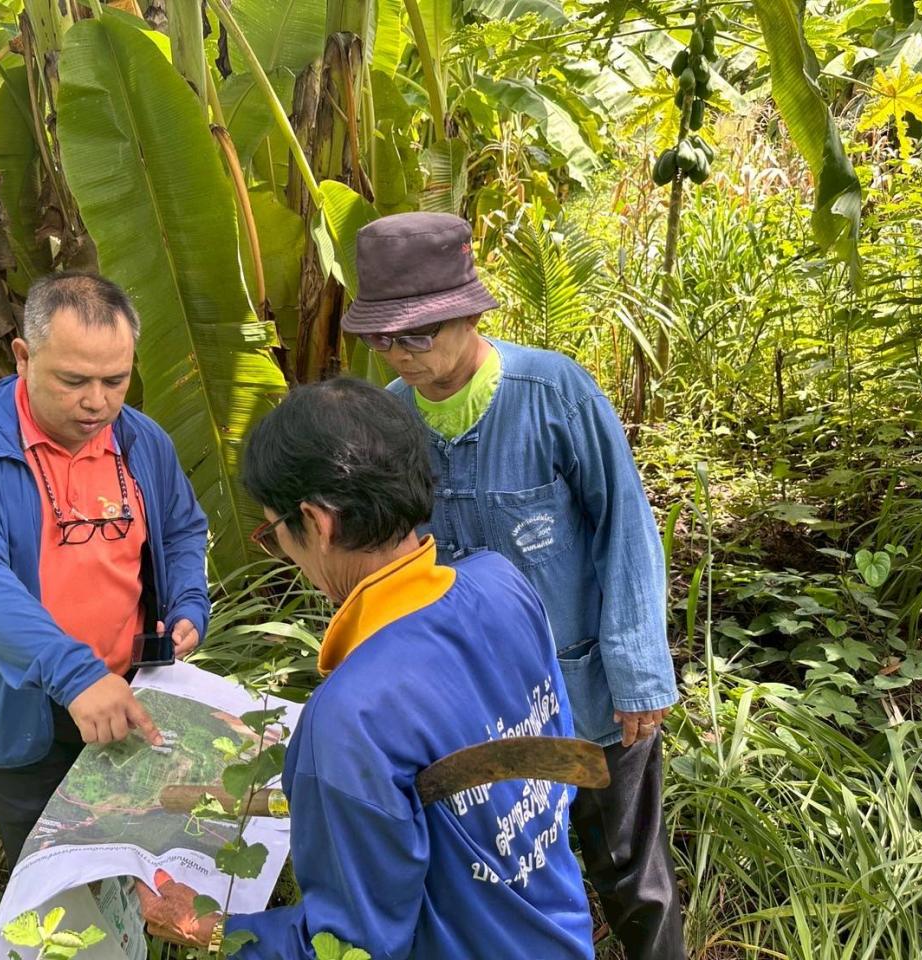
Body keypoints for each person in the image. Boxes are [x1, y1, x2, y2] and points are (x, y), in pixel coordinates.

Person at [135, 378, 595, 959]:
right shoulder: (503, 585)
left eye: (276, 534)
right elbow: (541, 761)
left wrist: (207, 927)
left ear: (318, 523)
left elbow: (351, 947)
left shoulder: (350, 716)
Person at [340, 212, 684, 959]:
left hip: (587, 694)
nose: (398, 356)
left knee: (630, 872)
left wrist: (637, 671)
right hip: (477, 714)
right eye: (382, 339)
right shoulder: (394, 421)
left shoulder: (553, 393)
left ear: (467, 314)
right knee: (514, 869)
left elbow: (625, 523)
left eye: (415, 337)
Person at [0, 271, 210, 867]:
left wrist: (187, 602)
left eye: (115, 380)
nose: (97, 401)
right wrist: (77, 677)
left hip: (131, 692)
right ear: (23, 357)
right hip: (28, 704)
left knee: (139, 856)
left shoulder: (140, 440)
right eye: (73, 380)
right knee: (54, 878)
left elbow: (182, 529)